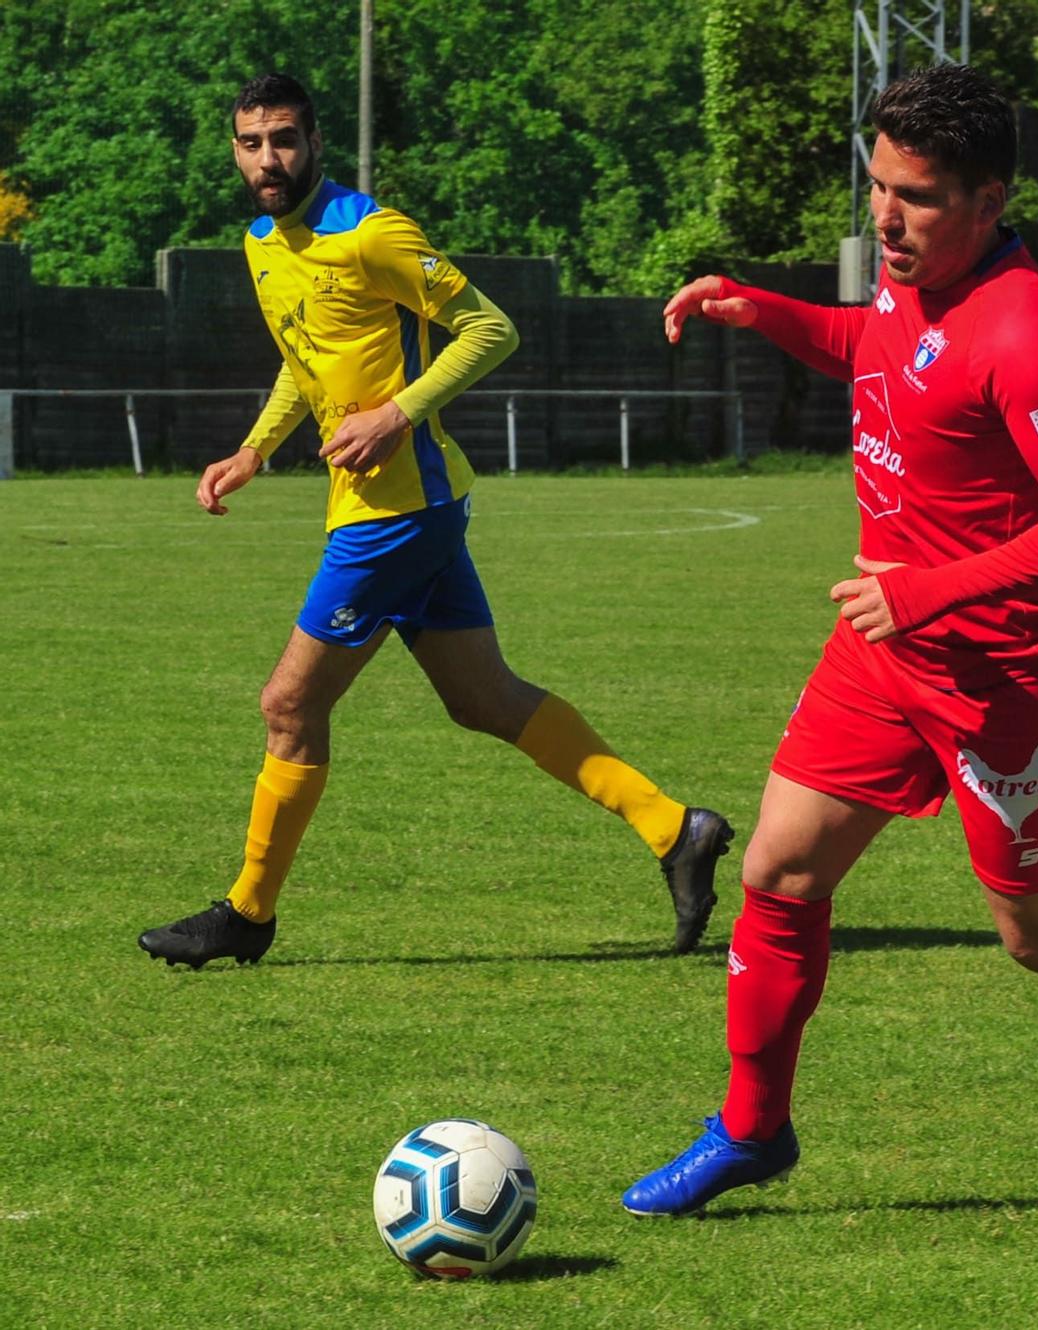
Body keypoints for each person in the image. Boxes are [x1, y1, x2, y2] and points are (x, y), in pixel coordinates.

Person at [618, 64, 1038, 1218]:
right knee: (777, 870)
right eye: (877, 185)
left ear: (988, 202)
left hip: (1011, 676)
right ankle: (751, 1129)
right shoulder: (911, 278)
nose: (885, 217)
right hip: (887, 649)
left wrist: (935, 589)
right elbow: (878, 345)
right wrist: (765, 310)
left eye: (918, 196)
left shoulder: (1030, 331)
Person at [135, 74, 735, 970]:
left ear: (316, 141)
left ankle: (249, 911)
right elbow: (307, 363)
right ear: (234, 149)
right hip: (394, 506)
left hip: (399, 511)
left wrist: (396, 415)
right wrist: (255, 451)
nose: (270, 159)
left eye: (286, 140)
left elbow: (489, 329)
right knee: (483, 697)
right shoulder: (264, 241)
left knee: (288, 705)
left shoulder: (373, 233)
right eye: (253, 143)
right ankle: (674, 827)